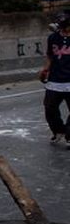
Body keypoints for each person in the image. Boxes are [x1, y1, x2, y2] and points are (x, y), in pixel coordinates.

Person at [39, 14, 70, 149]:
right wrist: (45, 70)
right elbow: (50, 57)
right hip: (55, 80)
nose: (62, 30)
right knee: (50, 109)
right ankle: (58, 130)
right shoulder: (53, 38)